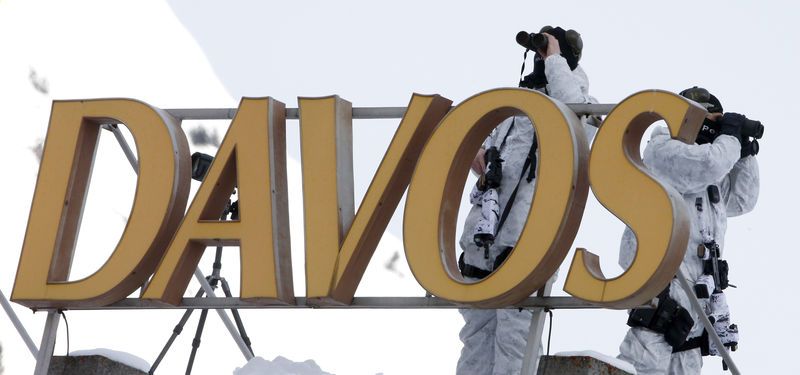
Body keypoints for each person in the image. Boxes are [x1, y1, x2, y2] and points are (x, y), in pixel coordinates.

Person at [456, 26, 599, 375]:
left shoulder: (587, 106)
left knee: (515, 348)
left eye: (546, 50)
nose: (539, 56)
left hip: (527, 245)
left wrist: (555, 63)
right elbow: (500, 159)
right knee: (474, 343)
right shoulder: (516, 105)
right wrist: (479, 154)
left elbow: (576, 127)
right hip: (484, 242)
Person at [616, 87, 760, 374]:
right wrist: (729, 137)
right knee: (643, 364)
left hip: (696, 299)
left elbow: (743, 200)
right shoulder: (663, 149)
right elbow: (709, 163)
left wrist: (745, 154)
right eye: (703, 118)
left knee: (686, 362)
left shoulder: (708, 178)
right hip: (662, 286)